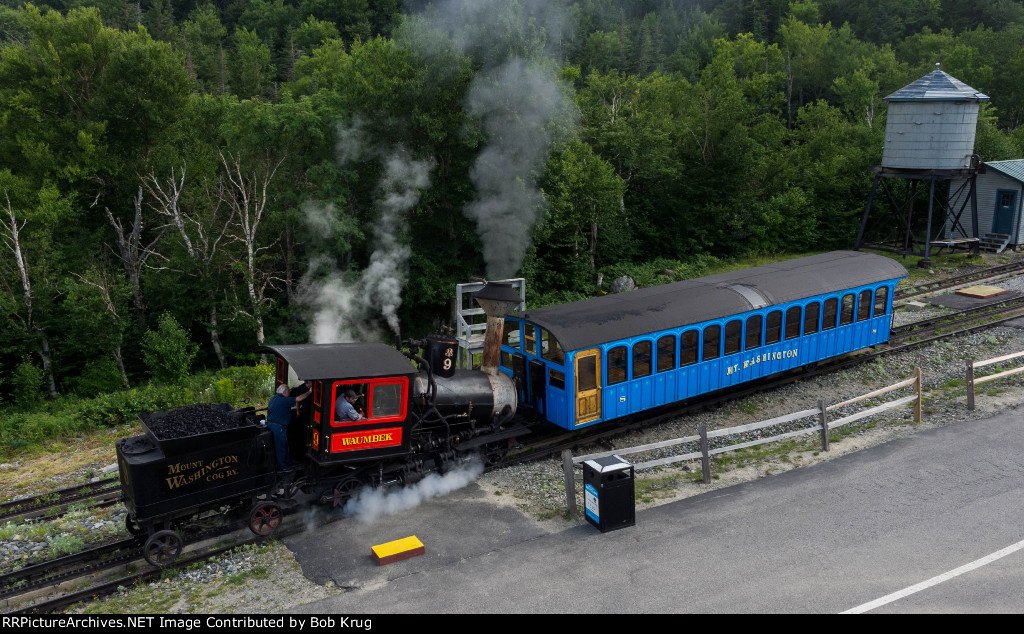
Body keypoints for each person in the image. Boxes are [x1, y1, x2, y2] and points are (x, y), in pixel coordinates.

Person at [266, 381, 311, 471]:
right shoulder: (284, 400)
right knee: (281, 447)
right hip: (278, 427)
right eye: (288, 391)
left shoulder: (273, 398)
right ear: (284, 392)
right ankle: (283, 467)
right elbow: (298, 399)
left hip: (272, 425)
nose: (289, 393)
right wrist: (309, 392)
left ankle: (288, 461)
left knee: (285, 445)